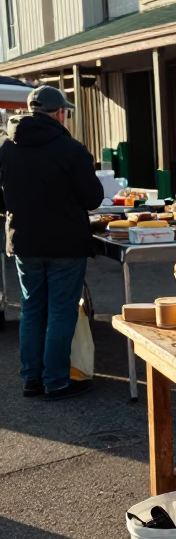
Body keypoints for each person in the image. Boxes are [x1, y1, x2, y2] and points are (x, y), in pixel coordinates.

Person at [0, 85, 103, 398]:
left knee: (32, 308)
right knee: (61, 311)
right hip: (65, 244)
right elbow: (93, 197)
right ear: (60, 113)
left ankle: (32, 379)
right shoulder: (70, 149)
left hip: (25, 242)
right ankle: (56, 381)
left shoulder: (6, 147)